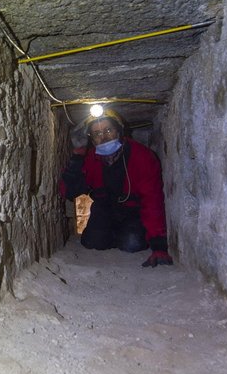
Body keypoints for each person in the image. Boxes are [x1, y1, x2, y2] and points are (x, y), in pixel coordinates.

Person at [60, 108, 173, 266]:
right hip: (104, 209)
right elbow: (69, 192)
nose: (104, 137)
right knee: (92, 242)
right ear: (91, 139)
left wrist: (158, 245)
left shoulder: (142, 157)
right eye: (97, 134)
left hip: (133, 212)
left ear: (119, 131)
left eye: (108, 130)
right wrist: (77, 156)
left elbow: (152, 201)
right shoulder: (90, 159)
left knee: (131, 244)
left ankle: (123, 236)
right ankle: (113, 236)